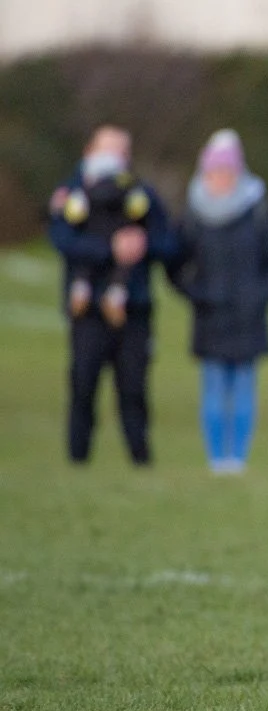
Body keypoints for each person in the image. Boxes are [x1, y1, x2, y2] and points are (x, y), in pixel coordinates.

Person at [48, 125, 178, 466]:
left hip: (133, 307)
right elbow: (61, 239)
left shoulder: (141, 194)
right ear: (90, 151)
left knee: (134, 387)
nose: (115, 158)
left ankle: (140, 459)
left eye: (122, 151)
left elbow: (169, 242)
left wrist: (143, 245)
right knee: (83, 384)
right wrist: (110, 249)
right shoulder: (73, 193)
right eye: (108, 150)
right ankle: (77, 459)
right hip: (87, 308)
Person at [168, 130, 268, 474]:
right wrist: (197, 297)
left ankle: (238, 458)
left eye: (227, 171)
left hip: (248, 317)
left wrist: (259, 298)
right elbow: (175, 263)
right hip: (210, 317)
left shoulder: (257, 210)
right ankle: (216, 458)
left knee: (244, 387)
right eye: (215, 172)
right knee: (214, 387)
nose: (221, 178)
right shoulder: (193, 213)